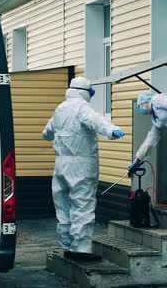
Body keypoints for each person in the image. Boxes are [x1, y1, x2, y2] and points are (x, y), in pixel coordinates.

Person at [42, 76, 124, 261]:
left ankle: (66, 246)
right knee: (82, 206)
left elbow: (46, 133)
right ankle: (81, 249)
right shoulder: (82, 108)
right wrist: (112, 131)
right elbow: (97, 122)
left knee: (63, 208)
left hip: (60, 165)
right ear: (86, 92)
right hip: (81, 167)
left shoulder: (60, 109)